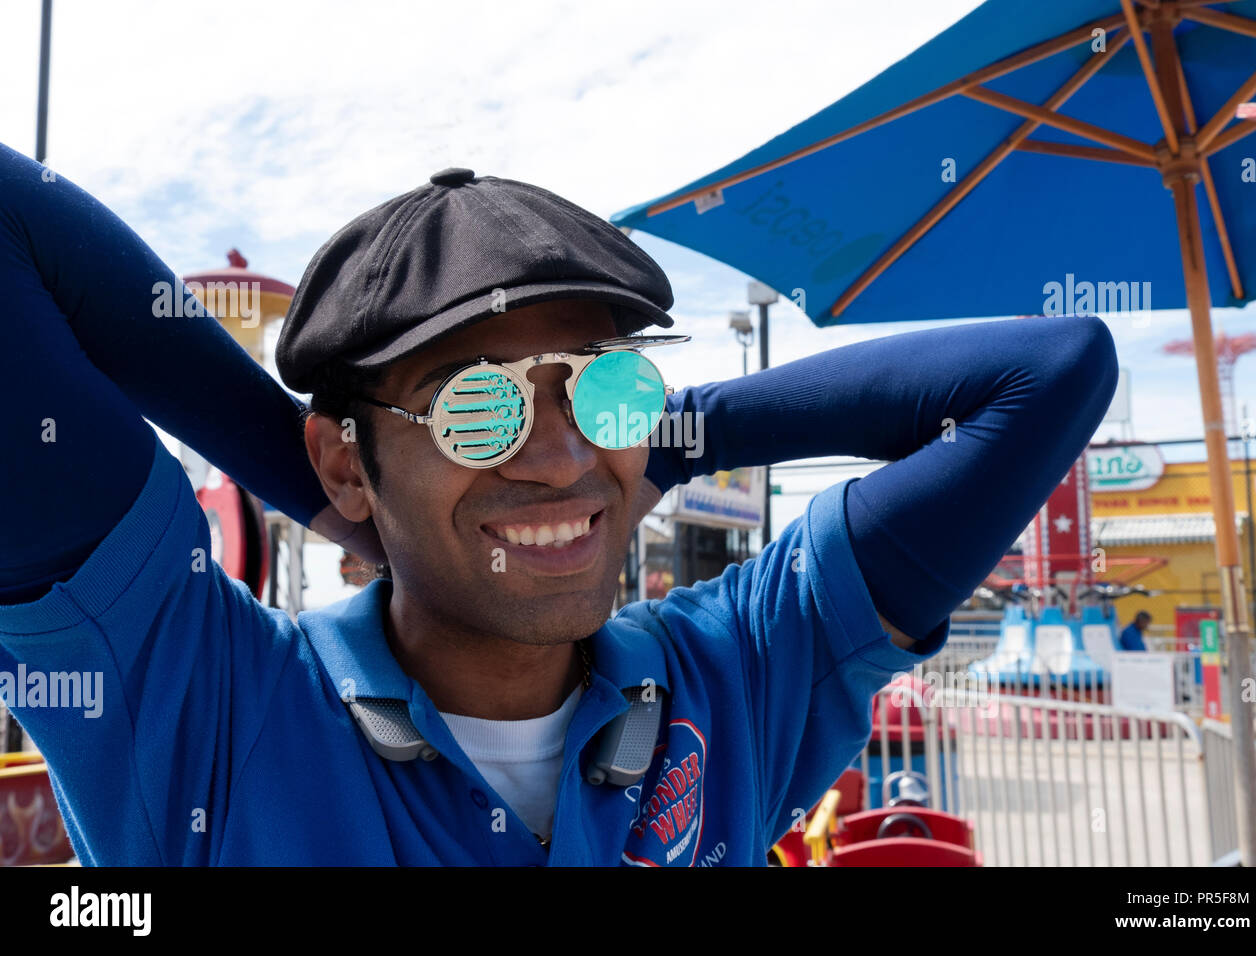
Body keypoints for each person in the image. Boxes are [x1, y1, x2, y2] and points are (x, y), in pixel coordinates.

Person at [0, 144, 1118, 865]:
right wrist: (319, 493)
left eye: (605, 384)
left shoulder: (734, 672)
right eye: (475, 407)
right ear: (348, 460)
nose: (559, 454)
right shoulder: (201, 707)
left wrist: (665, 440)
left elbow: (1050, 371)